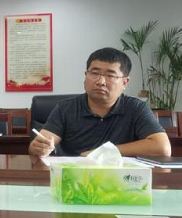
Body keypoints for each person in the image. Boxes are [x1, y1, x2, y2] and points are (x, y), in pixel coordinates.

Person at [29, 47, 171, 157]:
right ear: (86, 75)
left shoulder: (136, 108)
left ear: (124, 82)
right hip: (75, 178)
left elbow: (162, 148)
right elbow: (41, 143)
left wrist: (102, 152)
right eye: (95, 73)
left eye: (110, 75)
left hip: (119, 179)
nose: (101, 81)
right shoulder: (66, 108)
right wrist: (39, 147)